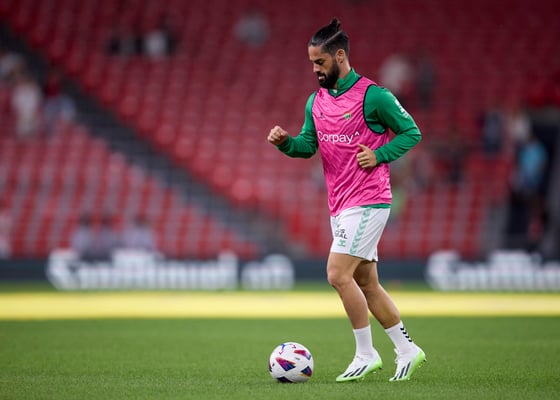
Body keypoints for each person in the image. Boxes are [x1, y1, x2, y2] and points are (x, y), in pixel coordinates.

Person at [267, 19, 426, 383]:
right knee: (367, 282)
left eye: (320, 62)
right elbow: (308, 146)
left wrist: (380, 155)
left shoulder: (374, 96)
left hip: (369, 200)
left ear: (340, 56)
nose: (315, 69)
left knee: (337, 274)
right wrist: (286, 143)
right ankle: (406, 349)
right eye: (312, 63)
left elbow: (411, 132)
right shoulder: (316, 102)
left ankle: (366, 354)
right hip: (339, 206)